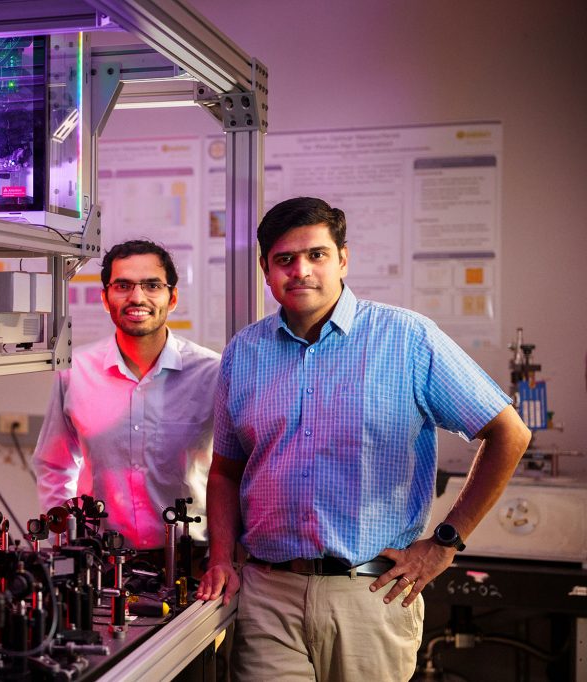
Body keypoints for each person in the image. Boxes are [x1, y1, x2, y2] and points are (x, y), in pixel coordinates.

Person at [196, 197, 531, 680]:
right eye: (284, 260)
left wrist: (444, 544)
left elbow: (509, 434)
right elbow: (226, 470)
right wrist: (221, 558)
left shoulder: (407, 338)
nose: (301, 271)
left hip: (370, 594)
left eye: (317, 255)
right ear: (266, 270)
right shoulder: (243, 353)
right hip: (268, 592)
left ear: (343, 259)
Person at [32, 239, 221, 549]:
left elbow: (233, 473)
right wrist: (63, 538)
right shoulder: (75, 370)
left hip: (193, 559)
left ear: (172, 298)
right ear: (105, 298)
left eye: (151, 285)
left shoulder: (212, 373)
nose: (137, 297)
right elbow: (55, 465)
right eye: (123, 286)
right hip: (99, 558)